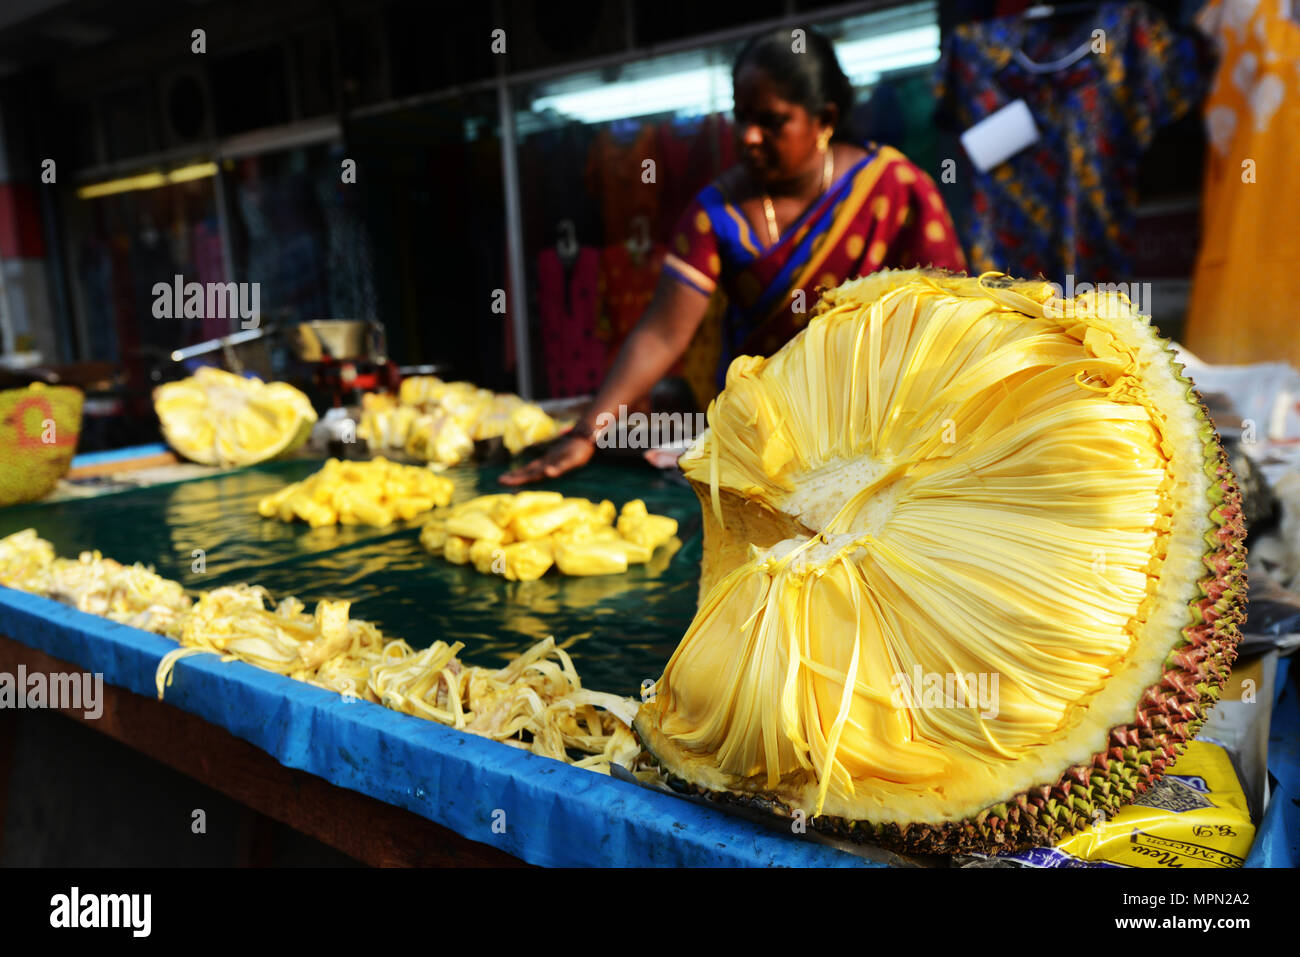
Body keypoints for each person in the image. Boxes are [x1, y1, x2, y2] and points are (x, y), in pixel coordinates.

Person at [501, 26, 967, 486]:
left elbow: (951, 320)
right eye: (741, 117)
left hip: (883, 445)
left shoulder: (895, 188)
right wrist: (587, 433)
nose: (748, 136)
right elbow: (662, 334)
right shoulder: (717, 211)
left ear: (823, 119)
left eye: (772, 120)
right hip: (761, 451)